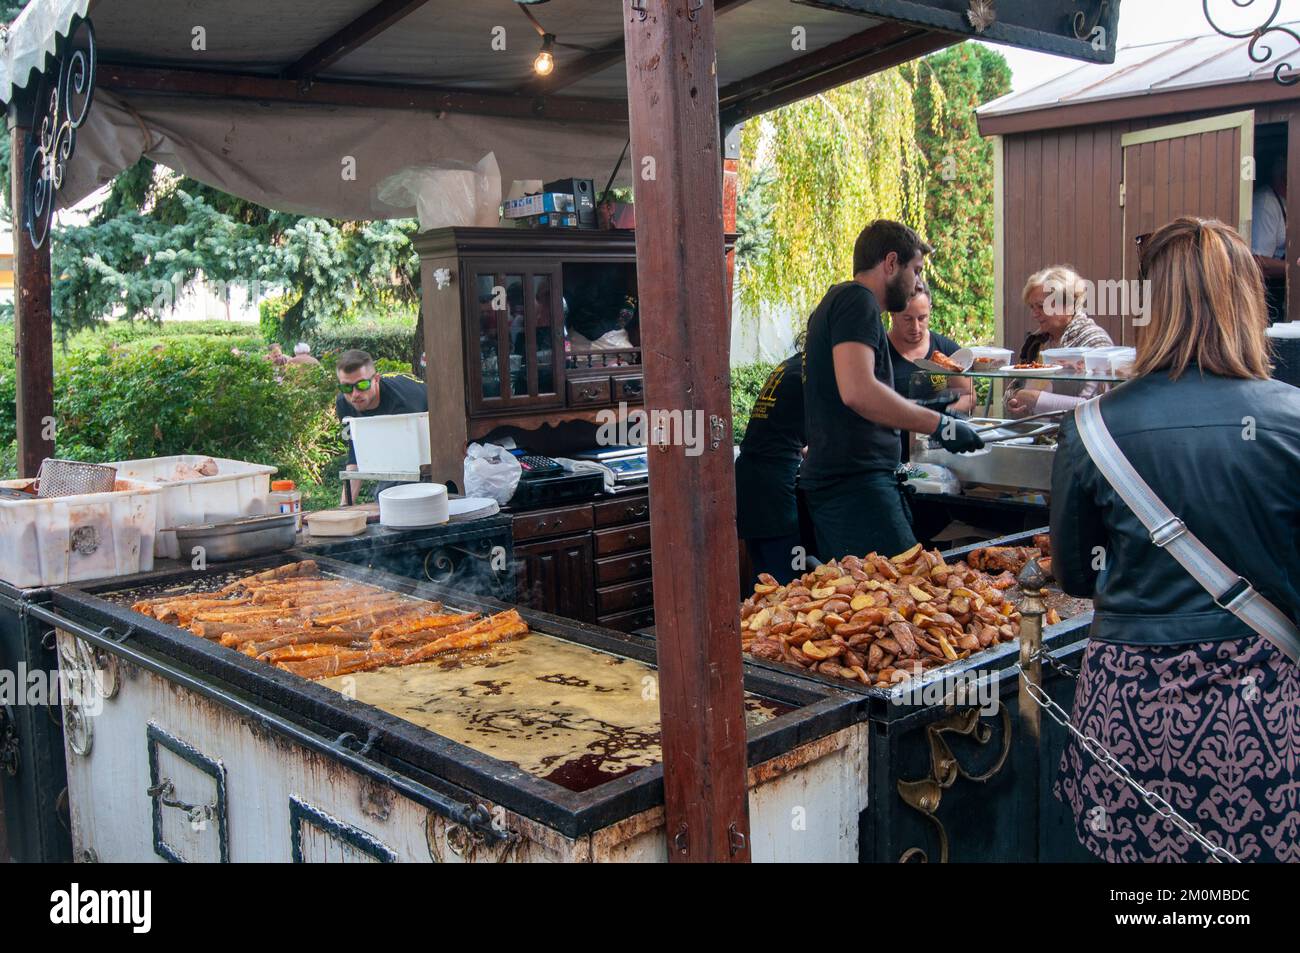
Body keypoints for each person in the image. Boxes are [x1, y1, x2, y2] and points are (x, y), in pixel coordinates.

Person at [1051, 216, 1300, 863]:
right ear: (1248, 300)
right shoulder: (1292, 421)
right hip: (1259, 715)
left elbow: (1076, 574)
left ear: (1151, 306)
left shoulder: (1090, 429)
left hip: (1126, 713)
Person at [800, 220, 984, 562]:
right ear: (890, 263)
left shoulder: (840, 300)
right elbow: (858, 391)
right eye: (915, 270)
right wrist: (939, 425)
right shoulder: (858, 301)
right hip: (855, 486)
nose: (916, 282)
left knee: (876, 598)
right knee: (903, 597)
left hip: (852, 483)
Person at [1005, 266, 1113, 417]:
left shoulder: (1095, 341)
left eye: (1041, 306)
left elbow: (1099, 406)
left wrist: (1036, 400)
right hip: (1038, 435)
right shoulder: (1036, 341)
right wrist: (1013, 401)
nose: (1034, 314)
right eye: (1032, 307)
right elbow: (1014, 388)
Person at [735, 350, 805, 585]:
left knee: (764, 579)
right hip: (773, 482)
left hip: (750, 475)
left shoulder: (792, 364)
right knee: (786, 581)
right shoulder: (814, 372)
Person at [886, 278, 975, 461]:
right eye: (908, 319)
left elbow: (969, 395)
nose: (915, 327)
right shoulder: (879, 351)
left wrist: (940, 418)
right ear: (893, 314)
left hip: (936, 455)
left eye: (922, 318)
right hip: (888, 454)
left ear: (930, 311)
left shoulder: (946, 351)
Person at [335, 349, 429, 504]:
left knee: (394, 497)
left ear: (376, 379)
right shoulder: (344, 403)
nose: (354, 394)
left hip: (430, 416)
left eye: (362, 385)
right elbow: (355, 454)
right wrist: (344, 508)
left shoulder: (402, 404)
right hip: (403, 446)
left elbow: (412, 463)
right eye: (346, 388)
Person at [1252, 150, 1287, 323]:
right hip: (1267, 295)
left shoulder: (1287, 201)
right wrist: (1293, 270)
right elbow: (1258, 262)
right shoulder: (1266, 204)